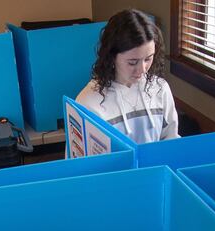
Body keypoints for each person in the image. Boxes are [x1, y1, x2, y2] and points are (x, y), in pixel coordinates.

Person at [76, 9, 179, 144]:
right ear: (112, 57)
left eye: (148, 59)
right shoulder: (88, 103)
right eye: (132, 62)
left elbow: (171, 141)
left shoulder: (160, 89)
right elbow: (79, 159)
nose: (142, 69)